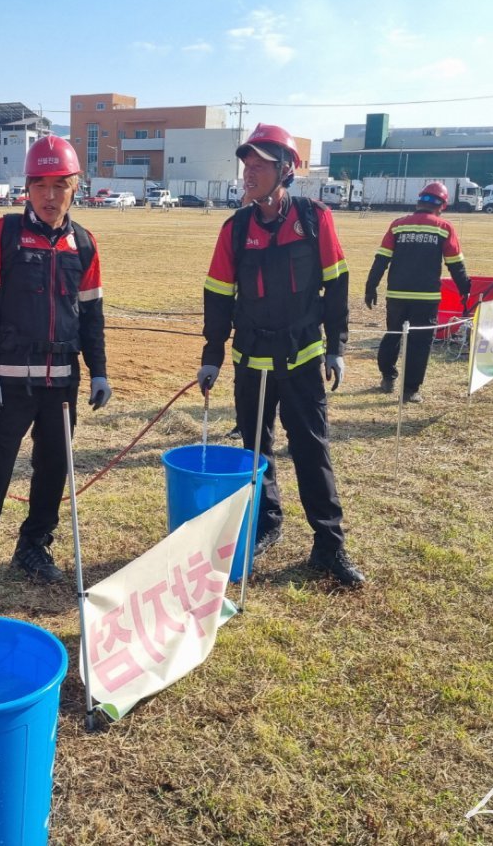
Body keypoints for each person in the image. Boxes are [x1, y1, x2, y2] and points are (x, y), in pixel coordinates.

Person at [0, 135, 110, 609]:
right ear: (28, 187)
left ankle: (33, 547)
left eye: (60, 184)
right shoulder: (2, 234)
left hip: (62, 381)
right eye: (41, 184)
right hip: (10, 381)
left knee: (53, 468)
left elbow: (92, 315)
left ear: (75, 187)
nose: (50, 194)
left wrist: (98, 371)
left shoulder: (84, 242)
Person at [198, 123, 364, 588]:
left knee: (312, 451)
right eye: (246, 166)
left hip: (302, 359)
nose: (248, 175)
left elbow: (337, 284)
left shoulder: (314, 219)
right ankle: (267, 522)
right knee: (255, 451)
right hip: (250, 360)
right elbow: (217, 295)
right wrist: (212, 355)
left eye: (258, 167)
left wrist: (336, 347)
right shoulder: (234, 230)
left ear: (285, 170)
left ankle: (329, 546)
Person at [364, 181, 471, 404]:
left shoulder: (398, 225)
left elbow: (382, 258)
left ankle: (387, 378)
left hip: (396, 295)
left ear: (419, 201)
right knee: (419, 343)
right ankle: (410, 390)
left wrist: (371, 285)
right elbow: (455, 265)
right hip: (426, 297)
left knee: (393, 334)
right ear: (442, 205)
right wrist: (465, 291)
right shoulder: (444, 227)